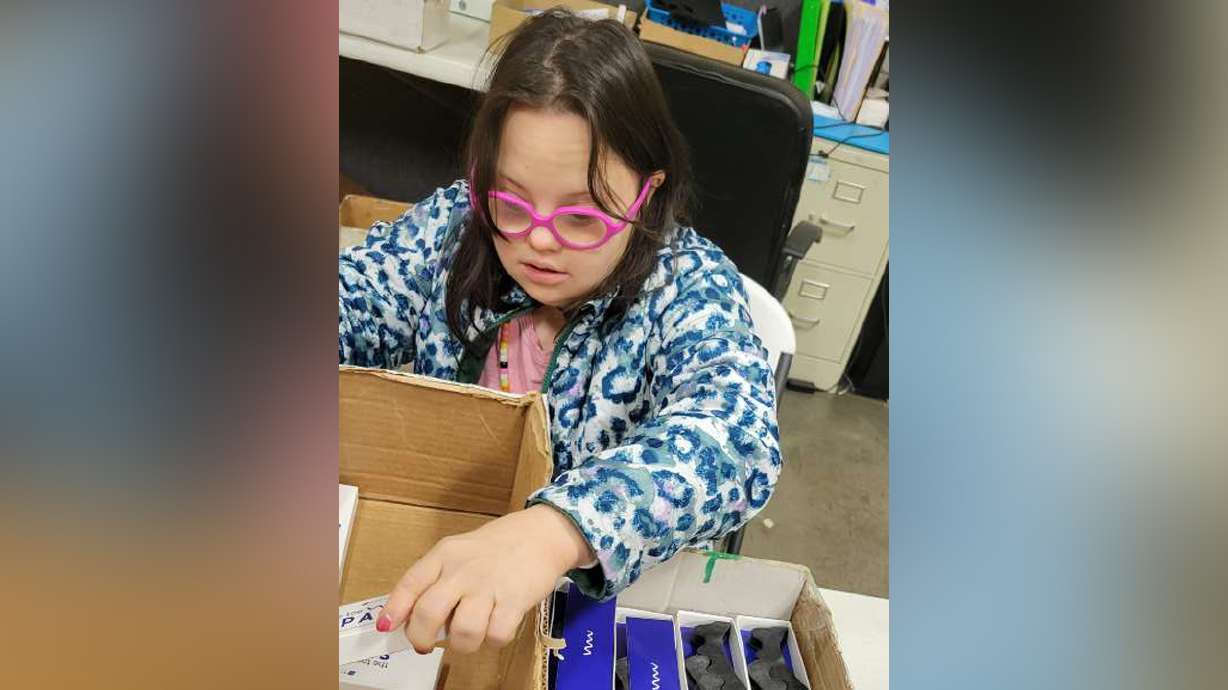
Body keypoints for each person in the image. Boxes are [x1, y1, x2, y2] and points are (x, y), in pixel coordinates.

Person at [338, 9, 780, 656]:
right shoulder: (454, 226)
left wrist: (556, 531)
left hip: (591, 606)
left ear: (648, 194)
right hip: (438, 554)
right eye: (511, 201)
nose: (538, 240)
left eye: (582, 215)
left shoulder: (686, 287)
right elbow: (356, 295)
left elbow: (736, 436)